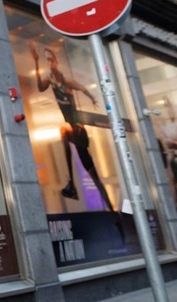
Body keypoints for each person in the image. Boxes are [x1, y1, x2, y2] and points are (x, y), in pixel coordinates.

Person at [30, 45, 123, 229]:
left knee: (92, 172)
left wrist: (92, 98)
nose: (49, 62)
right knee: (64, 135)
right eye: (47, 60)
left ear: (56, 61)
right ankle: (72, 184)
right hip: (71, 129)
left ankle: (112, 211)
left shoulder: (66, 81)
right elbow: (40, 88)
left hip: (79, 131)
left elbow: (82, 88)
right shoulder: (50, 80)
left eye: (51, 59)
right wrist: (36, 62)